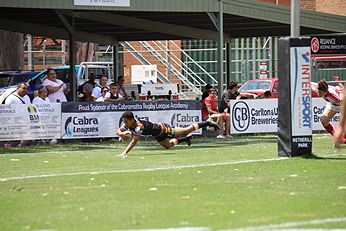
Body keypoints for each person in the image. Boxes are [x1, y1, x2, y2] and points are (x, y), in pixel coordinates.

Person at [116, 111, 220, 158]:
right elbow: (118, 131)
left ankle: (208, 122)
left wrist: (125, 152)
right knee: (168, 146)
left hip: (164, 129)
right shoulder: (129, 124)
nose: (124, 124)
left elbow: (134, 141)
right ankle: (186, 139)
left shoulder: (139, 126)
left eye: (126, 122)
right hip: (158, 135)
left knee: (185, 130)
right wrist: (122, 134)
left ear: (131, 120)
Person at [312, 79, 344, 146]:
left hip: (342, 105)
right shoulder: (316, 87)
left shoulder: (334, 96)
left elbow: (341, 97)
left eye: (320, 92)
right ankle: (338, 139)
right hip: (332, 104)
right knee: (324, 120)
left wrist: (341, 92)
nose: (318, 94)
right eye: (318, 91)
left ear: (326, 91)